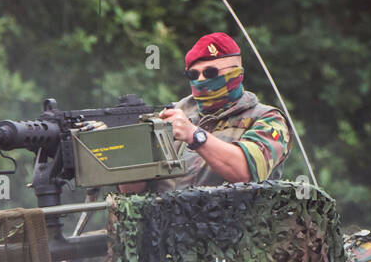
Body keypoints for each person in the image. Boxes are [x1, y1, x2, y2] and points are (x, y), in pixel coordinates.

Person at [118, 32, 292, 195]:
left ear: (237, 74)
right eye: (193, 74)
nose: (200, 79)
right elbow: (131, 190)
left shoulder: (267, 119)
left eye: (210, 72)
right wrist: (130, 148)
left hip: (235, 225)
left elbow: (245, 172)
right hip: (166, 225)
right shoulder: (170, 117)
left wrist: (194, 135)